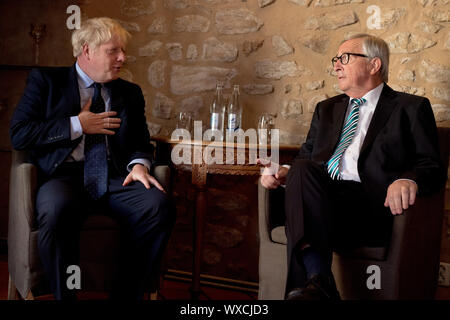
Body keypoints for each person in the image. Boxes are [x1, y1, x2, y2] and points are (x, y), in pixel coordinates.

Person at [259, 34, 445, 300]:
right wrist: (284, 173)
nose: (336, 65)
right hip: (323, 202)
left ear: (374, 65)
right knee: (300, 168)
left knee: (300, 212)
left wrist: (409, 179)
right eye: (336, 59)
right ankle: (320, 285)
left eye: (344, 58)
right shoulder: (326, 109)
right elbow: (307, 161)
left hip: (369, 209)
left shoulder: (410, 108)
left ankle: (318, 285)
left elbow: (431, 165)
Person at [10, 17, 175, 300]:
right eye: (114, 51)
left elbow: (139, 140)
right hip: (64, 176)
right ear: (87, 51)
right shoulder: (46, 82)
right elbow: (20, 134)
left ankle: (126, 295)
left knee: (157, 205)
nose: (122, 58)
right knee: (55, 209)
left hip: (114, 177)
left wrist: (138, 165)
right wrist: (78, 124)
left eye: (122, 51)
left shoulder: (129, 93)